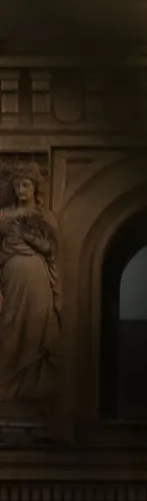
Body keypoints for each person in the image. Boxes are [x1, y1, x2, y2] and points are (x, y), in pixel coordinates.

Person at [0, 168, 59, 407]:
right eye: (17, 186)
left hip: (36, 274)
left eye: (25, 185)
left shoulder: (42, 216)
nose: (21, 190)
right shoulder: (3, 215)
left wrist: (27, 236)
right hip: (12, 273)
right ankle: (7, 383)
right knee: (11, 325)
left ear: (35, 187)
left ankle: (31, 388)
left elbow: (50, 248)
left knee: (36, 324)